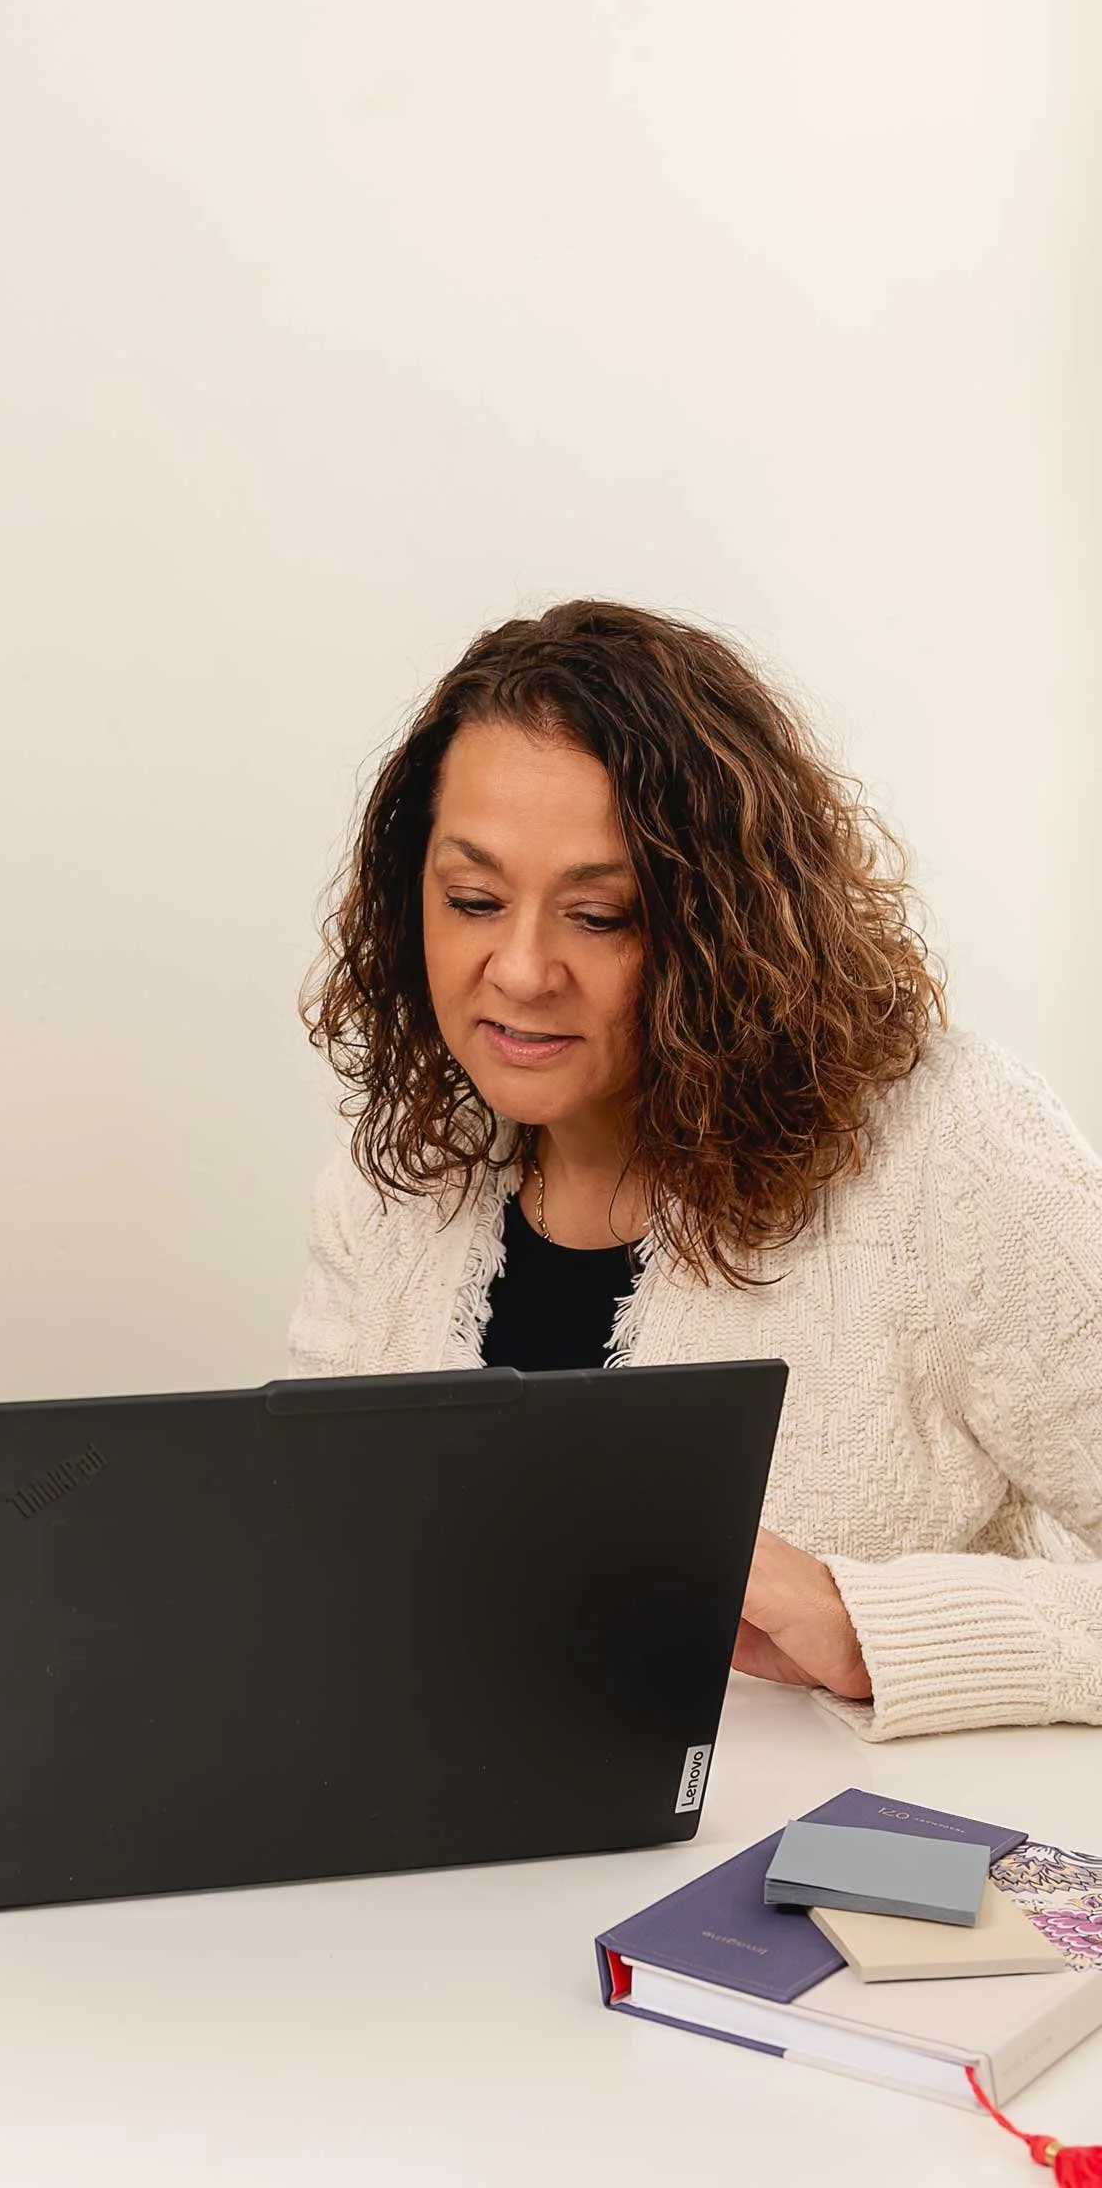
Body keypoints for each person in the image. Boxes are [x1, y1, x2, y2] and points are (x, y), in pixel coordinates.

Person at [294, 599, 1102, 1740]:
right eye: (471, 901)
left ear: (724, 927)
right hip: (450, 1885)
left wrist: (863, 1626)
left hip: (800, 1896)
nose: (518, 970)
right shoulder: (396, 1184)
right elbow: (319, 1579)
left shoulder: (949, 1149)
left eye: (601, 915)